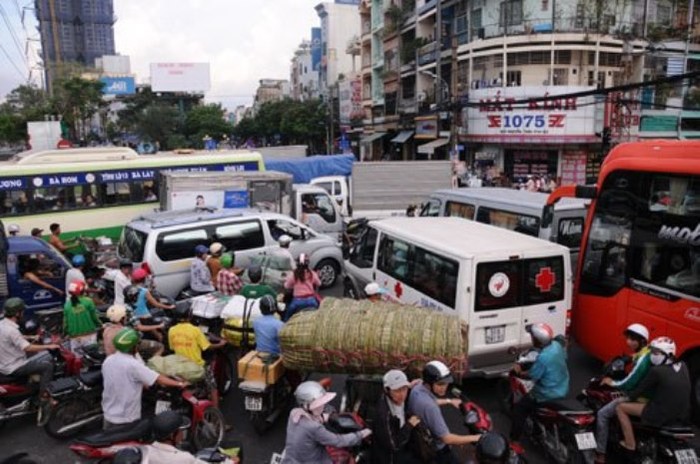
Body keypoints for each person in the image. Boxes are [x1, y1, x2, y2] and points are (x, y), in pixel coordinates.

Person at [615, 336, 691, 452]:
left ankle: (630, 443)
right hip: (682, 414)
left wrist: (624, 396)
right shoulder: (683, 366)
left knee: (620, 408)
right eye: (652, 351)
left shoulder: (657, 371)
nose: (652, 354)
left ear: (668, 354)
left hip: (660, 413)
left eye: (656, 352)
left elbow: (637, 391)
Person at [101, 328, 187, 429]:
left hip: (108, 415)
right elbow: (157, 379)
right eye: (138, 344)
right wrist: (180, 384)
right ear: (133, 347)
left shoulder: (108, 361)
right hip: (126, 418)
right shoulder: (132, 365)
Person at [594, 323, 651, 463]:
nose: (628, 342)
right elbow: (637, 356)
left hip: (638, 397)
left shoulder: (643, 360)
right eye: (628, 338)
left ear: (642, 341)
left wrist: (611, 383)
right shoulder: (648, 352)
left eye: (632, 339)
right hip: (650, 396)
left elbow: (629, 382)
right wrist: (629, 358)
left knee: (602, 414)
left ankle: (600, 454)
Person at [406, 361, 481, 464]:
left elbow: (431, 400)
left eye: (446, 383)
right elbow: (447, 438)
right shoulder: (430, 408)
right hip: (437, 450)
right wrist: (476, 438)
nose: (444, 387)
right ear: (429, 383)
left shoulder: (418, 388)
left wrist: (449, 401)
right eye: (440, 384)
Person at [281, 380, 372, 464]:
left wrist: (320, 417)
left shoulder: (294, 413)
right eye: (317, 405)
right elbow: (339, 441)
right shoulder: (314, 428)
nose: (322, 406)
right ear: (306, 406)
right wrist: (361, 434)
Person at [510, 323, 569, 445]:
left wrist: (519, 371)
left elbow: (531, 376)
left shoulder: (543, 357)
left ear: (536, 340)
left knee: (520, 409)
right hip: (563, 388)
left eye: (532, 336)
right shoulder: (557, 346)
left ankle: (514, 441)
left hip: (546, 394)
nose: (531, 338)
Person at [0, 298, 61, 399]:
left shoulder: (2, 324)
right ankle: (44, 397)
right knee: (47, 366)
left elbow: (13, 338)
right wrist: (49, 346)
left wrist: (30, 337)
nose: (23, 313)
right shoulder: (12, 330)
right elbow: (27, 347)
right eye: (22, 311)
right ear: (17, 313)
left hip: (4, 364)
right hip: (15, 366)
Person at [168, 303, 226, 407]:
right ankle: (216, 414)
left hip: (180, 367)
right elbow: (207, 347)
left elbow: (172, 348)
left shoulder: (171, 330)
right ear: (190, 315)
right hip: (197, 366)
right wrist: (221, 344)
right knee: (213, 387)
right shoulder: (195, 330)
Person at [371, 370, 422, 464]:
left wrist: (409, 385)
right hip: (391, 457)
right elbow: (393, 445)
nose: (402, 394)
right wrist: (409, 425)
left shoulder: (397, 396)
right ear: (387, 390)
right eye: (397, 390)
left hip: (404, 445)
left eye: (404, 389)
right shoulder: (383, 415)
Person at [63, 280, 101, 354]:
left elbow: (65, 323)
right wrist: (100, 325)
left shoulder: (67, 305)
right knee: (92, 356)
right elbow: (94, 317)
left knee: (78, 359)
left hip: (74, 337)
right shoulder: (88, 301)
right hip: (89, 335)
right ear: (82, 291)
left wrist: (65, 333)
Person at [283, 253, 321, 322]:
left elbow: (286, 286)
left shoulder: (293, 274)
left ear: (297, 263)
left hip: (297, 302)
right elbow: (319, 283)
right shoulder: (312, 273)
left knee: (287, 316)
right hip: (311, 301)